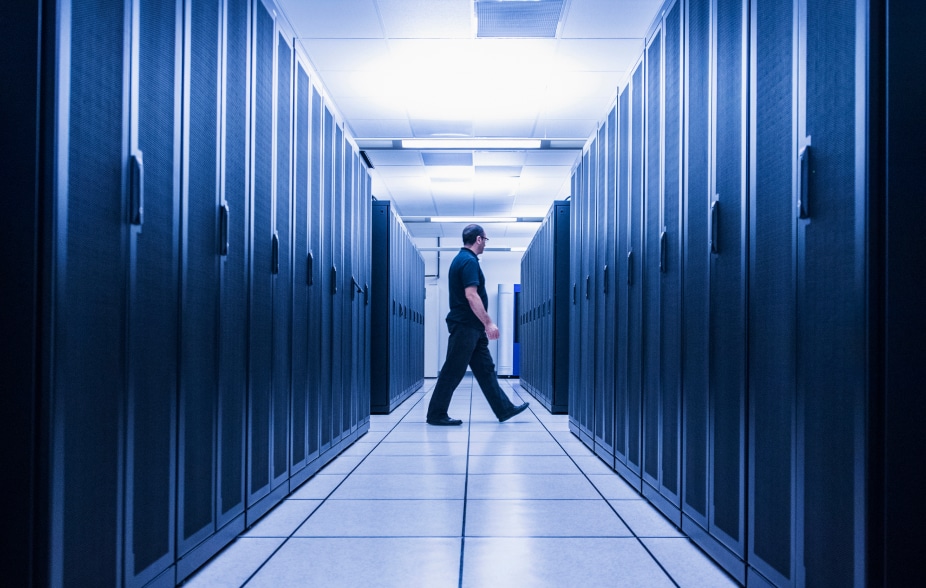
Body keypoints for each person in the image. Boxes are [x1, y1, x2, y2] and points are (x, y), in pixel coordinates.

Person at [426, 224, 530, 426]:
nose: (485, 244)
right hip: (465, 325)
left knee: (485, 369)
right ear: (479, 239)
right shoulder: (468, 261)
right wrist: (489, 322)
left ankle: (504, 409)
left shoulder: (463, 259)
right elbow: (471, 295)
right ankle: (436, 414)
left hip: (472, 327)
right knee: (453, 370)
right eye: (485, 240)